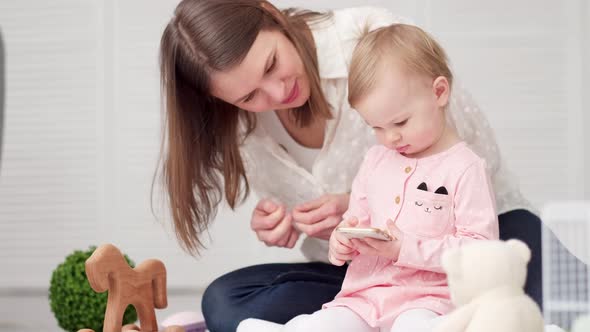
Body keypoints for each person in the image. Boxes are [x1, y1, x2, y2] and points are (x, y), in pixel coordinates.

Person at [158, 1, 542, 331]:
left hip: (472, 246)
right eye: (249, 96)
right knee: (227, 301)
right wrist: (288, 222)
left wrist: (384, 220)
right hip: (367, 277)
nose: (276, 93)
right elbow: (335, 235)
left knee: (534, 296)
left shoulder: (371, 42)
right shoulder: (244, 128)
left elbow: (467, 165)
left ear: (270, 13)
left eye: (271, 64)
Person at [236, 23, 499, 332]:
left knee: (415, 327)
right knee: (325, 325)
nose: (389, 137)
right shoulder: (376, 160)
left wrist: (405, 249)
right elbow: (354, 221)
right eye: (375, 127)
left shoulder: (465, 168)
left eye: (400, 121)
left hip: (432, 300)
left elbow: (481, 254)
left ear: (439, 92)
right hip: (365, 296)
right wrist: (341, 242)